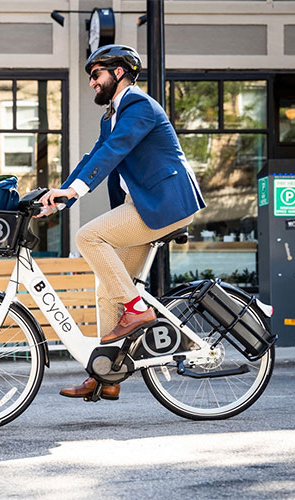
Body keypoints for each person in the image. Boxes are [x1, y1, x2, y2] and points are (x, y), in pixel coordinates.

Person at [36, 45, 206, 401]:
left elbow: (116, 151)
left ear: (119, 72)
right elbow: (95, 156)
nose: (92, 83)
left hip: (166, 204)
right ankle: (106, 375)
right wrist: (60, 198)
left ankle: (137, 310)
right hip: (144, 205)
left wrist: (74, 192)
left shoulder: (139, 106)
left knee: (89, 237)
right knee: (107, 290)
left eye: (96, 74)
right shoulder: (110, 116)